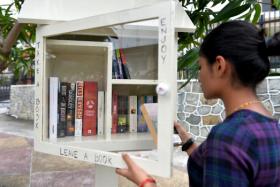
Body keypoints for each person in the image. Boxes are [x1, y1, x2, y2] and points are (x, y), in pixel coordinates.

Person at [116, 21, 280, 187]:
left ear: (219, 66)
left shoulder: (229, 137)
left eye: (200, 67)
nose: (198, 77)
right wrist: (188, 143)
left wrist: (146, 182)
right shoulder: (271, 126)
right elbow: (225, 167)